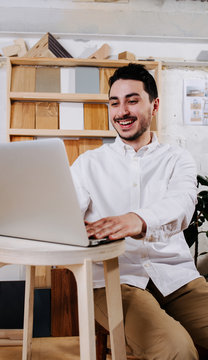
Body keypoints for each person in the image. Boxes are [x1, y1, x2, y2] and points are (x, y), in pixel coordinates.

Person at [70, 63, 208, 360]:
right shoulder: (87, 164)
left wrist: (138, 220)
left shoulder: (178, 158)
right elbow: (65, 214)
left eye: (132, 100)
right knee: (177, 350)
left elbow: (183, 204)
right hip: (114, 279)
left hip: (176, 276)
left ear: (154, 105)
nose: (122, 112)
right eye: (114, 103)